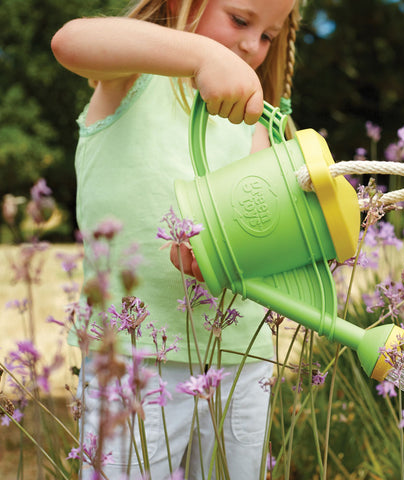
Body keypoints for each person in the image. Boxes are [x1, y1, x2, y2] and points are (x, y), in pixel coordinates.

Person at [51, 0, 301, 478]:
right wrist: (201, 56)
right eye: (241, 20)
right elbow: (70, 42)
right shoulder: (133, 78)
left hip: (240, 356)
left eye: (269, 35)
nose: (253, 45)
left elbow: (262, 227)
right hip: (131, 354)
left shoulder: (254, 123)